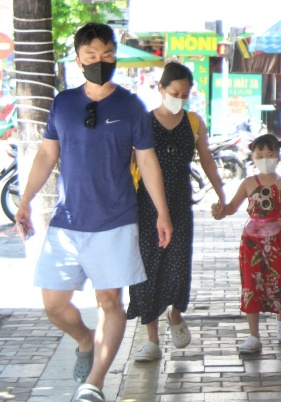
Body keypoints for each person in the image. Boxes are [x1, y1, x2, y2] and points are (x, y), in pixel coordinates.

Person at [14, 23, 172, 402]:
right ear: (78, 57)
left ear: (114, 54)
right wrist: (24, 202)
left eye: (106, 54)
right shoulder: (63, 103)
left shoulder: (131, 106)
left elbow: (148, 163)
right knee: (53, 304)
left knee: (109, 302)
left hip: (115, 220)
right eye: (91, 55)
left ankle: (95, 384)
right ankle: (85, 339)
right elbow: (47, 155)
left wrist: (161, 213)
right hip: (67, 222)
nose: (99, 61)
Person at [127, 62, 227, 362]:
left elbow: (207, 160)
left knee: (178, 263)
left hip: (181, 202)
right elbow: (130, 163)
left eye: (185, 94)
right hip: (146, 204)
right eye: (174, 92)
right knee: (146, 268)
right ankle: (152, 339)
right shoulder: (143, 122)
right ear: (160, 89)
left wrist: (222, 193)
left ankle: (176, 313)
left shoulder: (194, 122)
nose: (180, 98)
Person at [211, 134, 281, 353]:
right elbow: (231, 208)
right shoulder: (248, 183)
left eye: (270, 154)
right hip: (251, 241)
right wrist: (220, 212)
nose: (265, 158)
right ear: (253, 156)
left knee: (279, 277)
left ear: (278, 156)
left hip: (278, 239)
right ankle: (253, 335)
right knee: (251, 282)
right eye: (260, 155)